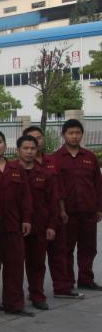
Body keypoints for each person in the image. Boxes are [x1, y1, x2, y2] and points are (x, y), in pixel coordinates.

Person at [0, 129, 34, 317]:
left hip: (14, 226)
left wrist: (27, 219)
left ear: (5, 145)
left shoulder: (16, 169)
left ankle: (13, 304)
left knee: (15, 267)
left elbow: (26, 196)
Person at [52, 119, 102, 292]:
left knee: (88, 248)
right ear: (63, 135)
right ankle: (68, 281)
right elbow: (54, 187)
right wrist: (59, 210)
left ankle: (86, 279)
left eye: (77, 133)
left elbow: (98, 184)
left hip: (88, 211)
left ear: (82, 134)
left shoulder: (90, 157)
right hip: (67, 213)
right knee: (66, 248)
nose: (74, 136)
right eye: (70, 133)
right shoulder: (56, 158)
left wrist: (99, 208)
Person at [18, 135, 58, 311]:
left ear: (37, 150)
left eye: (32, 148)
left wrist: (51, 226)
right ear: (18, 150)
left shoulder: (45, 174)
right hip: (15, 226)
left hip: (39, 226)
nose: (29, 152)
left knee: (37, 264)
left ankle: (37, 295)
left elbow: (53, 202)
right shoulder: (10, 172)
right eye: (25, 148)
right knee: (14, 266)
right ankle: (13, 298)